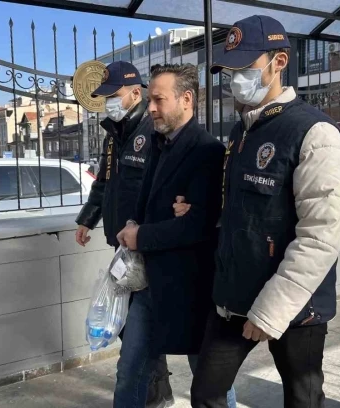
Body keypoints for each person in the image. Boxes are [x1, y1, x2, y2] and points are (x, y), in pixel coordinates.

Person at [189, 15, 340, 408]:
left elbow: (321, 236)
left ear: (279, 62)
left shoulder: (315, 133)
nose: (234, 80)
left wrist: (270, 311)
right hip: (233, 296)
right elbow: (237, 211)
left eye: (245, 68)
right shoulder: (240, 131)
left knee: (303, 398)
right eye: (230, 71)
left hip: (295, 307)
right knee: (206, 393)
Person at [116, 63, 236, 408]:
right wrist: (134, 225)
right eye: (150, 100)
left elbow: (199, 224)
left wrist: (142, 236)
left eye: (159, 100)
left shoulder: (207, 151)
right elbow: (149, 205)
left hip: (191, 289)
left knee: (210, 380)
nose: (151, 108)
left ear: (186, 100)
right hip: (148, 286)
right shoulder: (158, 143)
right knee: (129, 371)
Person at [73, 61, 174, 408]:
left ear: (135, 92)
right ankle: (157, 393)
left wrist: (148, 235)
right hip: (122, 248)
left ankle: (154, 394)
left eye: (113, 96)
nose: (109, 104)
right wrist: (87, 219)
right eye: (104, 98)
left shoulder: (154, 130)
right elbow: (104, 182)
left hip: (147, 247)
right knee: (134, 328)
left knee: (140, 329)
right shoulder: (114, 135)